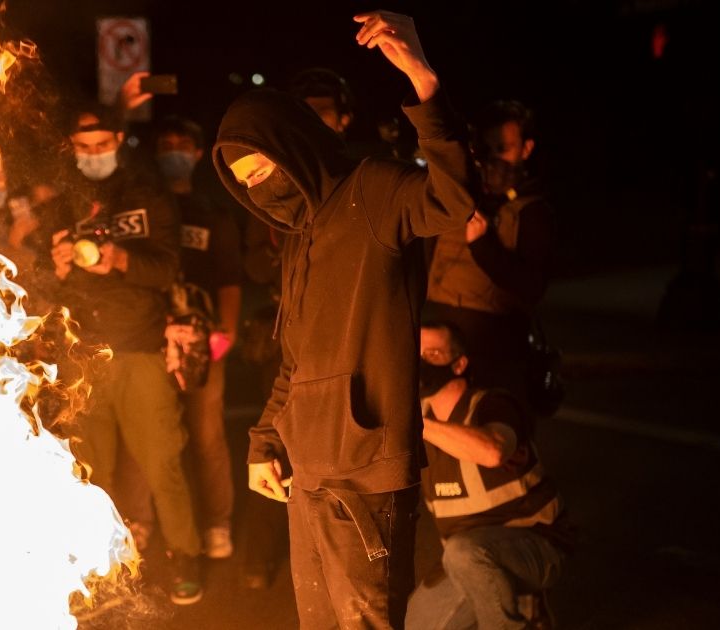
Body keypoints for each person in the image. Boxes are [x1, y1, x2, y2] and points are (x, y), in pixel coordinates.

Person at [212, 10, 479, 628]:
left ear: (293, 145)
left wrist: (423, 80)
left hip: (365, 471)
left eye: (264, 169)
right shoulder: (298, 237)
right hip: (307, 471)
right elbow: (296, 361)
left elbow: (454, 198)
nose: (260, 190)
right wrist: (265, 442)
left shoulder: (374, 192)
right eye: (246, 183)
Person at [37, 102, 205, 605]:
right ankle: (101, 574)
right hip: (83, 355)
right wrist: (61, 270)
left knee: (163, 461)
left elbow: (168, 267)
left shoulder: (147, 192)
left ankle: (185, 558)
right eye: (83, 148)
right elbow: (44, 284)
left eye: (102, 145)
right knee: (91, 471)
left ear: (118, 141)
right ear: (72, 148)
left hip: (140, 348)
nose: (93, 155)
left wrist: (119, 259)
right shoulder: (62, 203)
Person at [406, 321, 569, 629]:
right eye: (417, 353)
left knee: (464, 553)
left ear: (459, 364)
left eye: (433, 353)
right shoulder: (420, 419)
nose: (421, 362)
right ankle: (521, 603)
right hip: (470, 562)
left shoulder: (492, 404)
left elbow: (494, 450)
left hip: (536, 544)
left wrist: (418, 425)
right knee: (413, 625)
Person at [424, 99, 555, 405]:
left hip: (496, 350)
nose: (494, 159)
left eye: (504, 149)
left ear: (526, 148)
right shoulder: (460, 197)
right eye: (488, 149)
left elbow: (532, 288)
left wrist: (484, 246)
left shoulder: (533, 211)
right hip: (439, 339)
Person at [153, 116, 241, 560]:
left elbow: (230, 278)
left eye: (181, 143)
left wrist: (226, 332)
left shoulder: (213, 211)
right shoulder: (148, 207)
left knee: (207, 434)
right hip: (154, 339)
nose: (173, 150)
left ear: (198, 152)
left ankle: (217, 523)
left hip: (206, 341)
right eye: (165, 143)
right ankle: (157, 527)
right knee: (158, 435)